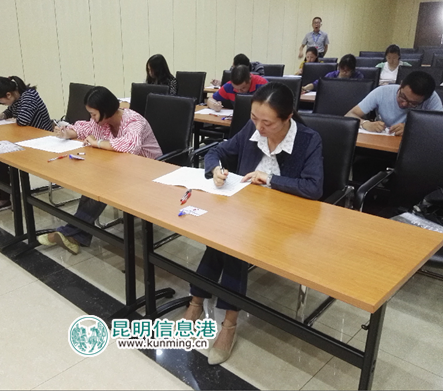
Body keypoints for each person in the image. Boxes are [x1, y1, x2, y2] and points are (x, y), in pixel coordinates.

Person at [183, 83, 323, 365]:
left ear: (288, 117)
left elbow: (313, 187)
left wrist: (270, 179)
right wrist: (215, 169)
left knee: (234, 243)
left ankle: (223, 319)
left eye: (267, 123)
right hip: (247, 210)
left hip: (286, 220)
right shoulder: (252, 129)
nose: (259, 127)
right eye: (254, 118)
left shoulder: (308, 140)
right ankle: (199, 304)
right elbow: (216, 152)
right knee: (226, 237)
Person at [37, 86, 162, 254]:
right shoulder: (102, 121)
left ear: (106, 110)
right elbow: (85, 129)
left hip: (150, 170)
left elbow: (131, 146)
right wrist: (67, 133)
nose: (92, 118)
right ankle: (75, 236)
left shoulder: (133, 121)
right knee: (97, 182)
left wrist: (98, 143)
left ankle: (70, 232)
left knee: (104, 184)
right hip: (123, 168)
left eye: (94, 114)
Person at [0, 76, 53, 214]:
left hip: (42, 141)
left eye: (1, 101)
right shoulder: (18, 96)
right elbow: (11, 110)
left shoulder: (29, 96)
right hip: (27, 138)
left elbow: (23, 120)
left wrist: (12, 119)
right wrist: (1, 116)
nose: (3, 104)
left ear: (8, 94)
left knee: (1, 154)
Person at [345, 70, 443, 136]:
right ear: (401, 85)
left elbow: (439, 127)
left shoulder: (432, 98)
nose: (404, 104)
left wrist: (411, 129)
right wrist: (365, 124)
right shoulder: (382, 92)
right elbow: (350, 115)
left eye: (413, 103)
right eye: (402, 97)